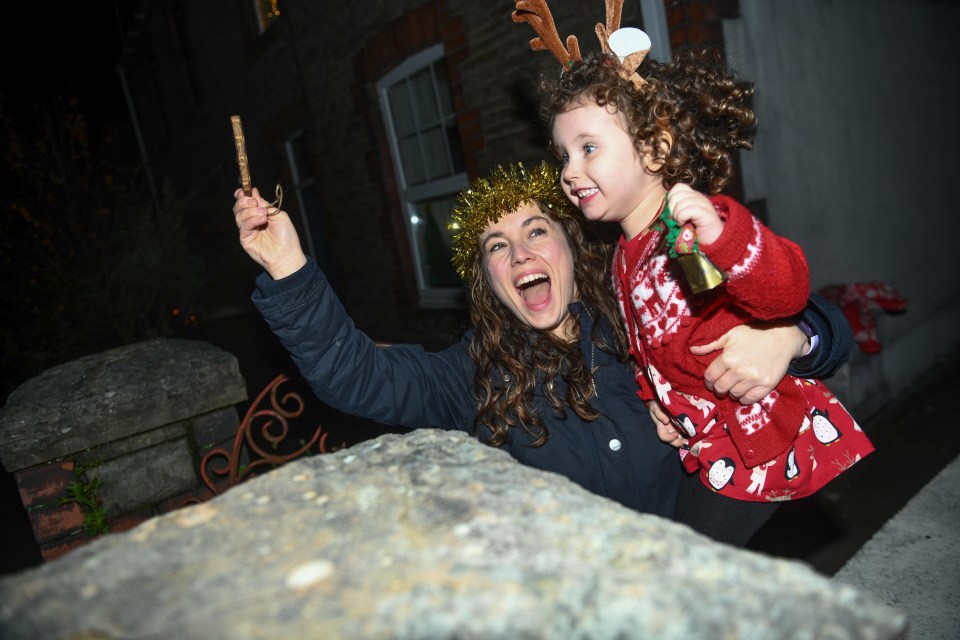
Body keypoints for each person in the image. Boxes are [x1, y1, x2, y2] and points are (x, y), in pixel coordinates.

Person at [232, 161, 853, 540]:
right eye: (497, 246)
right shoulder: (466, 376)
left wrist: (789, 338)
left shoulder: (643, 310)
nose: (521, 253)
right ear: (487, 279)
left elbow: (813, 319)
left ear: (570, 247)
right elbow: (354, 374)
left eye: (536, 231)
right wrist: (288, 267)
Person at [539, 26, 874, 543]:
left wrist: (728, 236)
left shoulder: (696, 225)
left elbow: (784, 291)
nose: (570, 170)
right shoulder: (624, 256)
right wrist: (659, 400)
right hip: (709, 443)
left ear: (654, 149)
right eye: (564, 155)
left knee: (691, 564)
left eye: (588, 148)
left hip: (759, 435)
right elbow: (648, 345)